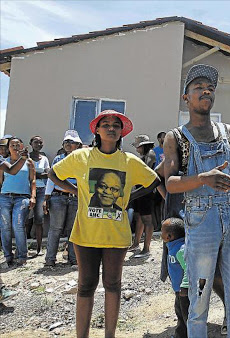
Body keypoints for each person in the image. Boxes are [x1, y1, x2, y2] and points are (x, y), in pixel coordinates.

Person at [164, 64, 230, 337]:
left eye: (210, 88)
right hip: (200, 222)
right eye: (198, 87)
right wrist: (202, 178)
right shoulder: (176, 137)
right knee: (199, 297)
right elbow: (171, 183)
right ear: (185, 98)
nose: (206, 91)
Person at [48, 110, 160, 338]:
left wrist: (130, 197)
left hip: (115, 236)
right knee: (86, 285)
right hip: (85, 233)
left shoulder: (129, 161)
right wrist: (75, 191)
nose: (111, 128)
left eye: (116, 125)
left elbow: (154, 181)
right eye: (105, 124)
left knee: (113, 284)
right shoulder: (81, 157)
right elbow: (53, 174)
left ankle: (110, 334)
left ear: (121, 132)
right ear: (97, 130)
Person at [44, 130, 83, 267]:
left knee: (73, 230)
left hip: (75, 198)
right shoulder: (58, 159)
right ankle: (50, 259)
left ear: (78, 145)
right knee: (55, 229)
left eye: (71, 142)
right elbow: (51, 178)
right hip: (58, 197)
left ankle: (73, 258)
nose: (68, 144)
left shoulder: (83, 160)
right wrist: (46, 197)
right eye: (66, 141)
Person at [0, 137, 36, 267]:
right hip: (5, 197)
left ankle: (22, 256)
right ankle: (8, 256)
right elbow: (3, 180)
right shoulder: (3, 163)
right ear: (8, 148)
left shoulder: (29, 162)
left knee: (18, 225)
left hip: (22, 197)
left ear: (22, 147)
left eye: (17, 145)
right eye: (12, 145)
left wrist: (33, 196)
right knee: (5, 227)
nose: (15, 147)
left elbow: (32, 180)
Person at [128, 134, 157, 258]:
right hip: (140, 190)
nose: (136, 149)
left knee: (147, 220)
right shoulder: (144, 155)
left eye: (138, 146)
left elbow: (146, 169)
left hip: (147, 191)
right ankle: (136, 244)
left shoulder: (150, 154)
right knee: (139, 217)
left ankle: (146, 249)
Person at [161, 217, 189, 338]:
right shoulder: (172, 247)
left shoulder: (181, 250)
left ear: (169, 236)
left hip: (184, 292)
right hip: (178, 291)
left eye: (162, 231)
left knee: (186, 316)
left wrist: (185, 287)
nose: (160, 234)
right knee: (180, 314)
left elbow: (189, 269)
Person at [26, 135, 50, 255]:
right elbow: (25, 175)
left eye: (40, 143)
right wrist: (38, 174)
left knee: (39, 219)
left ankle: (39, 248)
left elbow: (48, 174)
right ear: (31, 143)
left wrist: (35, 174)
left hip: (41, 190)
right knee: (25, 218)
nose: (38, 145)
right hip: (27, 190)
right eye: (36, 142)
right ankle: (23, 247)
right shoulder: (26, 158)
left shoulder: (44, 158)